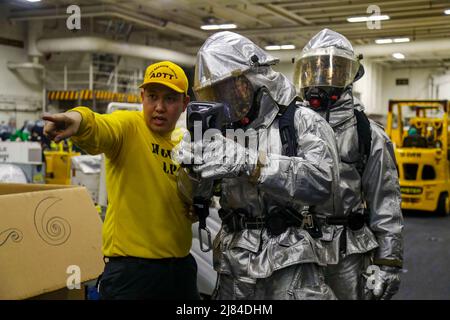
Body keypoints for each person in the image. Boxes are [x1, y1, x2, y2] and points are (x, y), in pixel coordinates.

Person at [175, 31, 341, 300]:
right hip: (234, 262)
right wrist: (191, 169)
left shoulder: (301, 122)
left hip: (289, 261)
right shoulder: (218, 131)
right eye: (213, 90)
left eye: (226, 87)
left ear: (249, 80)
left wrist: (253, 164)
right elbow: (193, 201)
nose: (220, 97)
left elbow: (323, 182)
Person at [43, 61, 200, 300]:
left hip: (180, 269)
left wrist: (194, 205)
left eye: (169, 99)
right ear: (142, 97)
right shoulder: (129, 128)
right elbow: (100, 126)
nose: (159, 107)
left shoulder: (185, 146)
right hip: (132, 273)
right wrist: (77, 119)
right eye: (152, 97)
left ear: (184, 104)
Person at [293, 28, 404, 300]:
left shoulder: (367, 133)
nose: (320, 79)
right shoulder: (291, 127)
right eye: (313, 70)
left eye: (331, 70)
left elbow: (385, 200)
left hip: (346, 251)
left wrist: (389, 262)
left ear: (349, 75)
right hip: (294, 247)